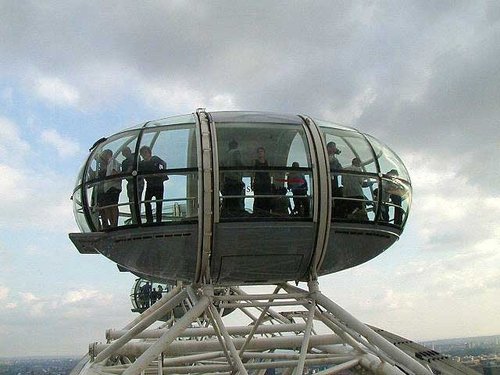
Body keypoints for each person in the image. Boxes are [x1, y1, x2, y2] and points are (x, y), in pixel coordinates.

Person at [139, 146, 167, 223]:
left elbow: (163, 164)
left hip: (158, 183)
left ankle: (158, 220)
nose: (144, 154)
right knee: (147, 202)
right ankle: (149, 220)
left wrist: (161, 173)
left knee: (159, 202)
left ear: (149, 152)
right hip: (150, 184)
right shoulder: (142, 163)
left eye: (145, 152)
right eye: (142, 153)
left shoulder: (155, 159)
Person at [221, 140, 245, 216]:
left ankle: (227, 215)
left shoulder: (226, 154)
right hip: (235, 180)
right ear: (236, 146)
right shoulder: (236, 152)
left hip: (227, 180)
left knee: (228, 201)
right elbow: (240, 163)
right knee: (236, 201)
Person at [121, 147, 144, 224]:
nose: (125, 154)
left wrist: (128, 172)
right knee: (132, 201)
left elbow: (131, 168)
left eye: (126, 151)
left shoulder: (135, 156)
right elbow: (124, 174)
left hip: (138, 181)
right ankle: (135, 219)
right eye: (124, 153)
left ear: (130, 151)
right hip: (130, 182)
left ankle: (136, 220)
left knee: (136, 200)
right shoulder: (124, 162)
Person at [252, 147, 272, 216]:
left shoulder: (267, 162)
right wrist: (253, 182)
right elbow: (253, 173)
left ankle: (267, 213)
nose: (260, 153)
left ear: (264, 153)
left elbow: (269, 173)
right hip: (258, 184)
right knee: (258, 199)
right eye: (259, 152)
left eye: (262, 151)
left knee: (266, 200)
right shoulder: (255, 162)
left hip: (266, 183)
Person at [326, 141, 343, 218]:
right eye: (333, 147)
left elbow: (340, 168)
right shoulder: (324, 156)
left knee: (335, 192)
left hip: (333, 179)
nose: (335, 149)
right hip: (327, 179)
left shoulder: (334, 158)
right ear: (329, 148)